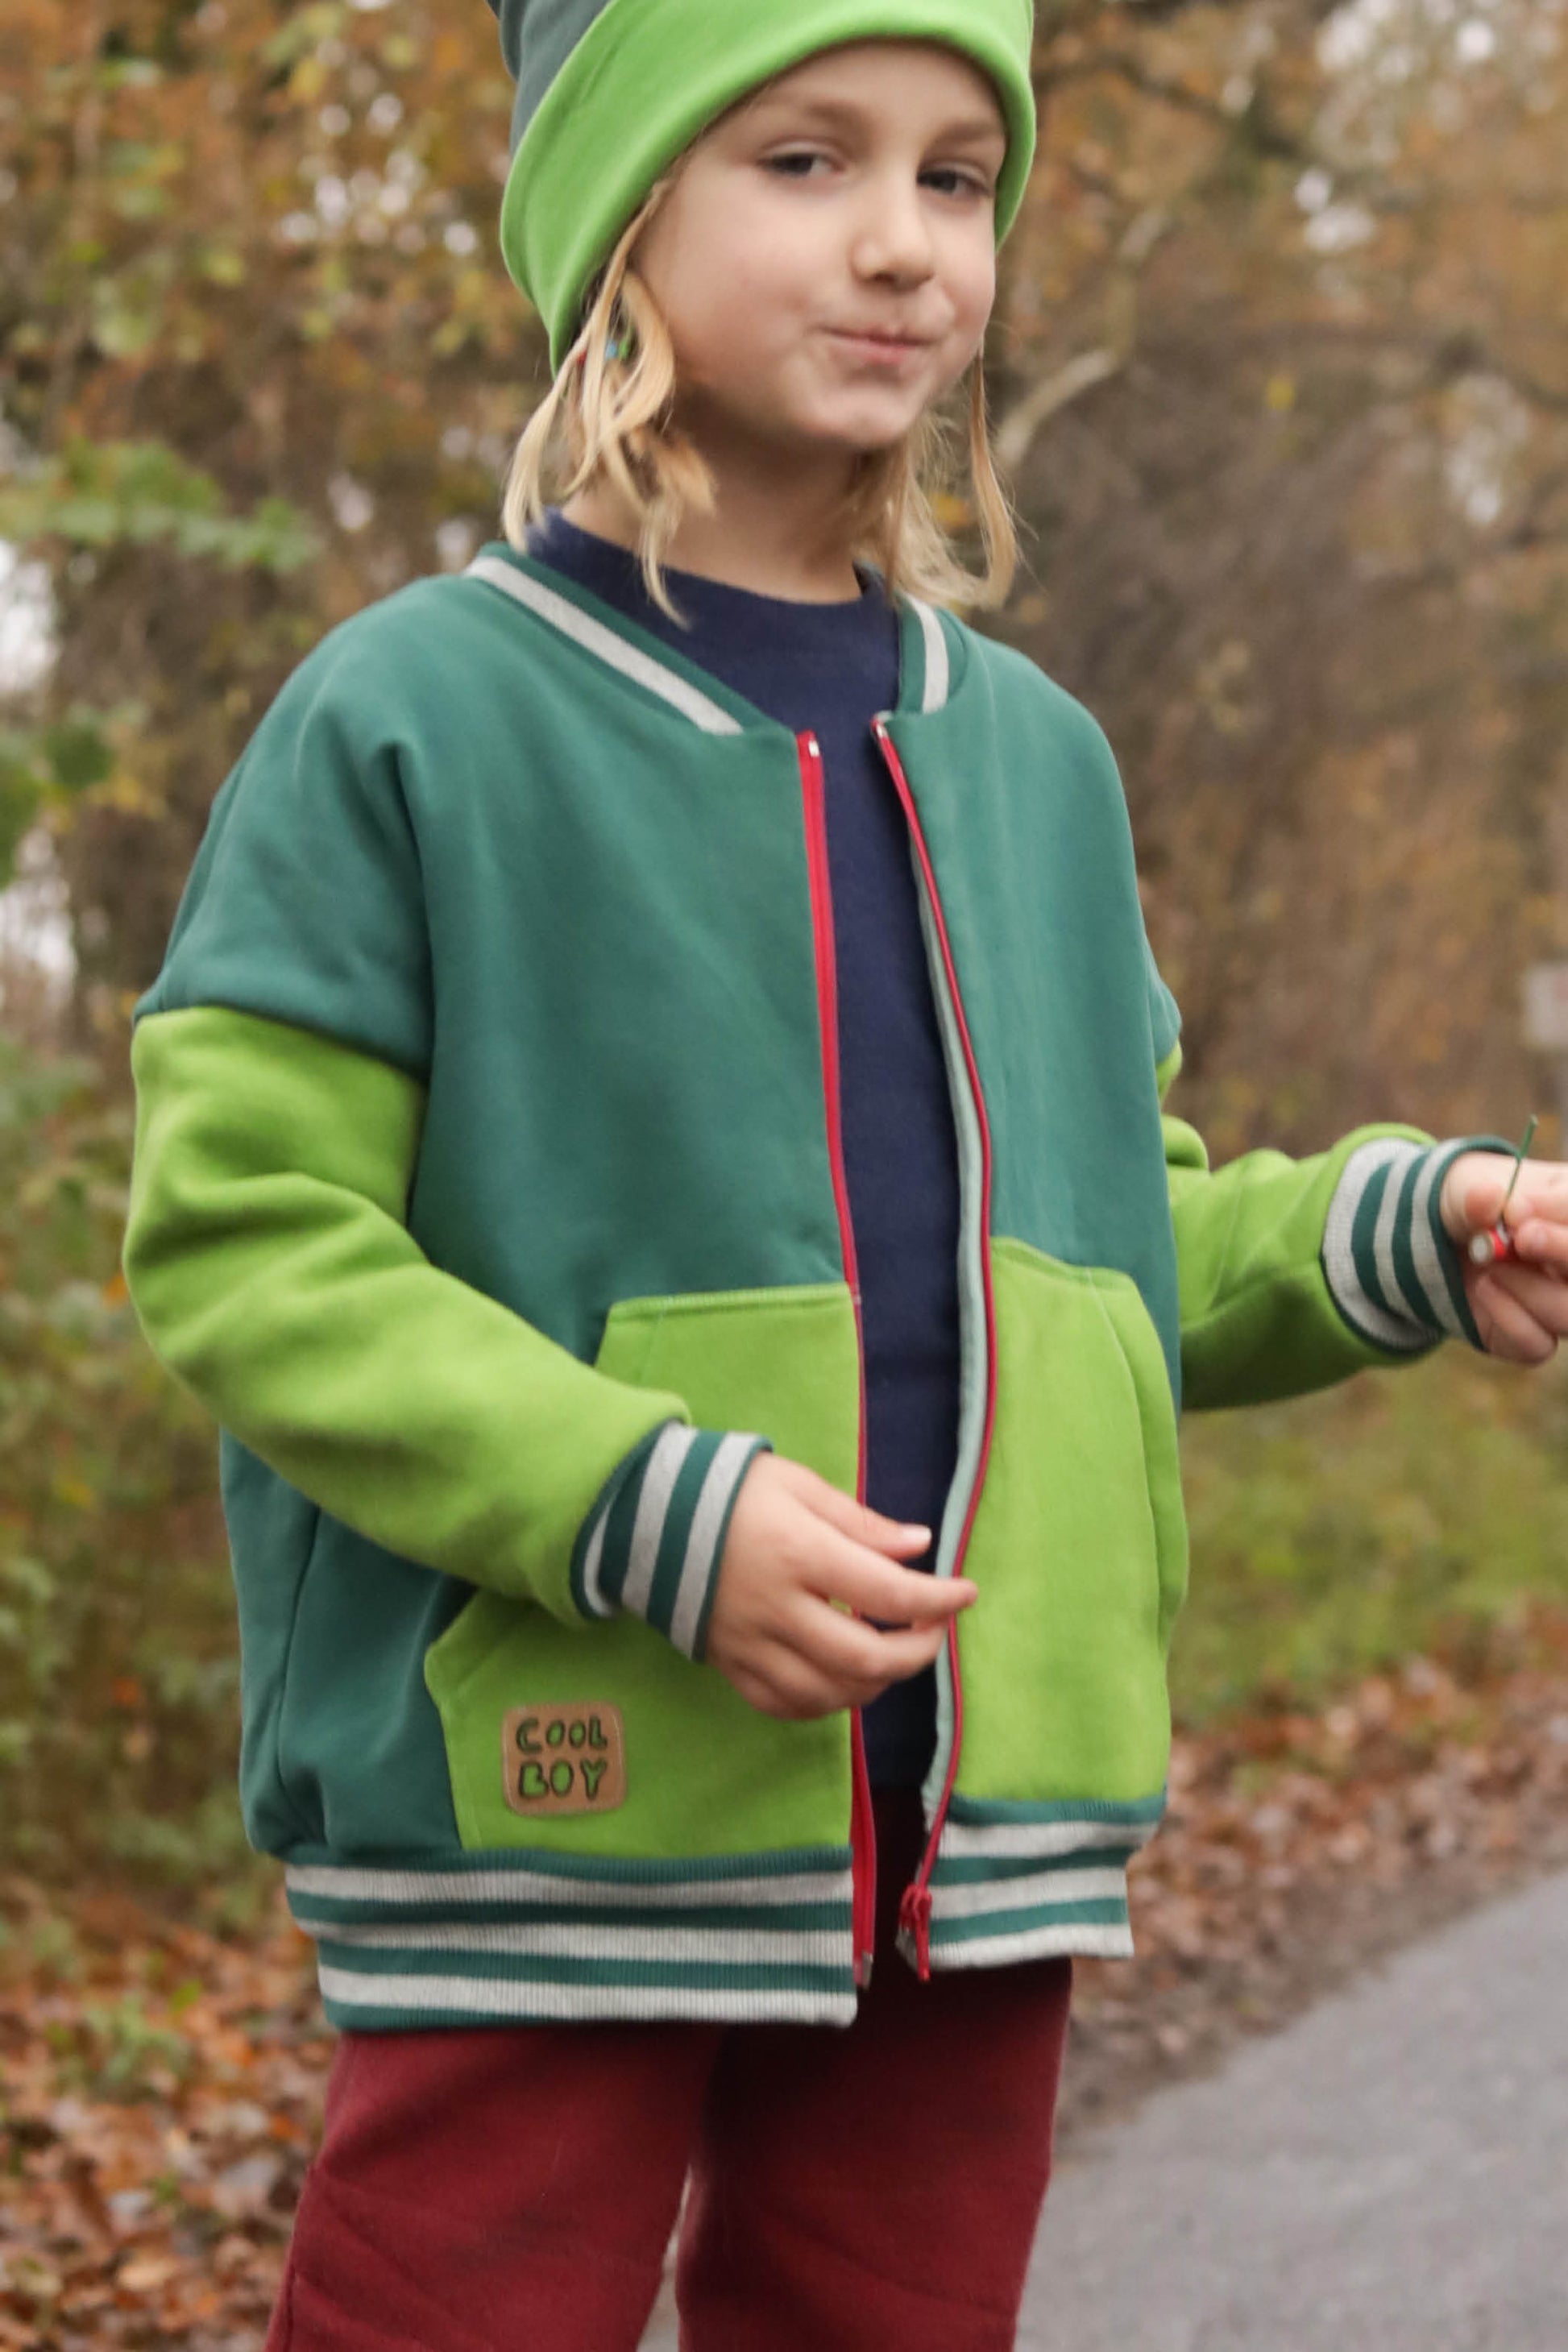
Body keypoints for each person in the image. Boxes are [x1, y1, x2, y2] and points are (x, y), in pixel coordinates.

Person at [121, 5, 1568, 2346]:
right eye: (804, 160)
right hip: (556, 1810)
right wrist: (651, 1508)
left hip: (979, 1828)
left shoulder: (1042, 762)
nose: (903, 244)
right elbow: (247, 1248)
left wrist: (1391, 1233)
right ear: (619, 217)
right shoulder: (411, 720)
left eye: (953, 176)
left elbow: (1099, 1258)